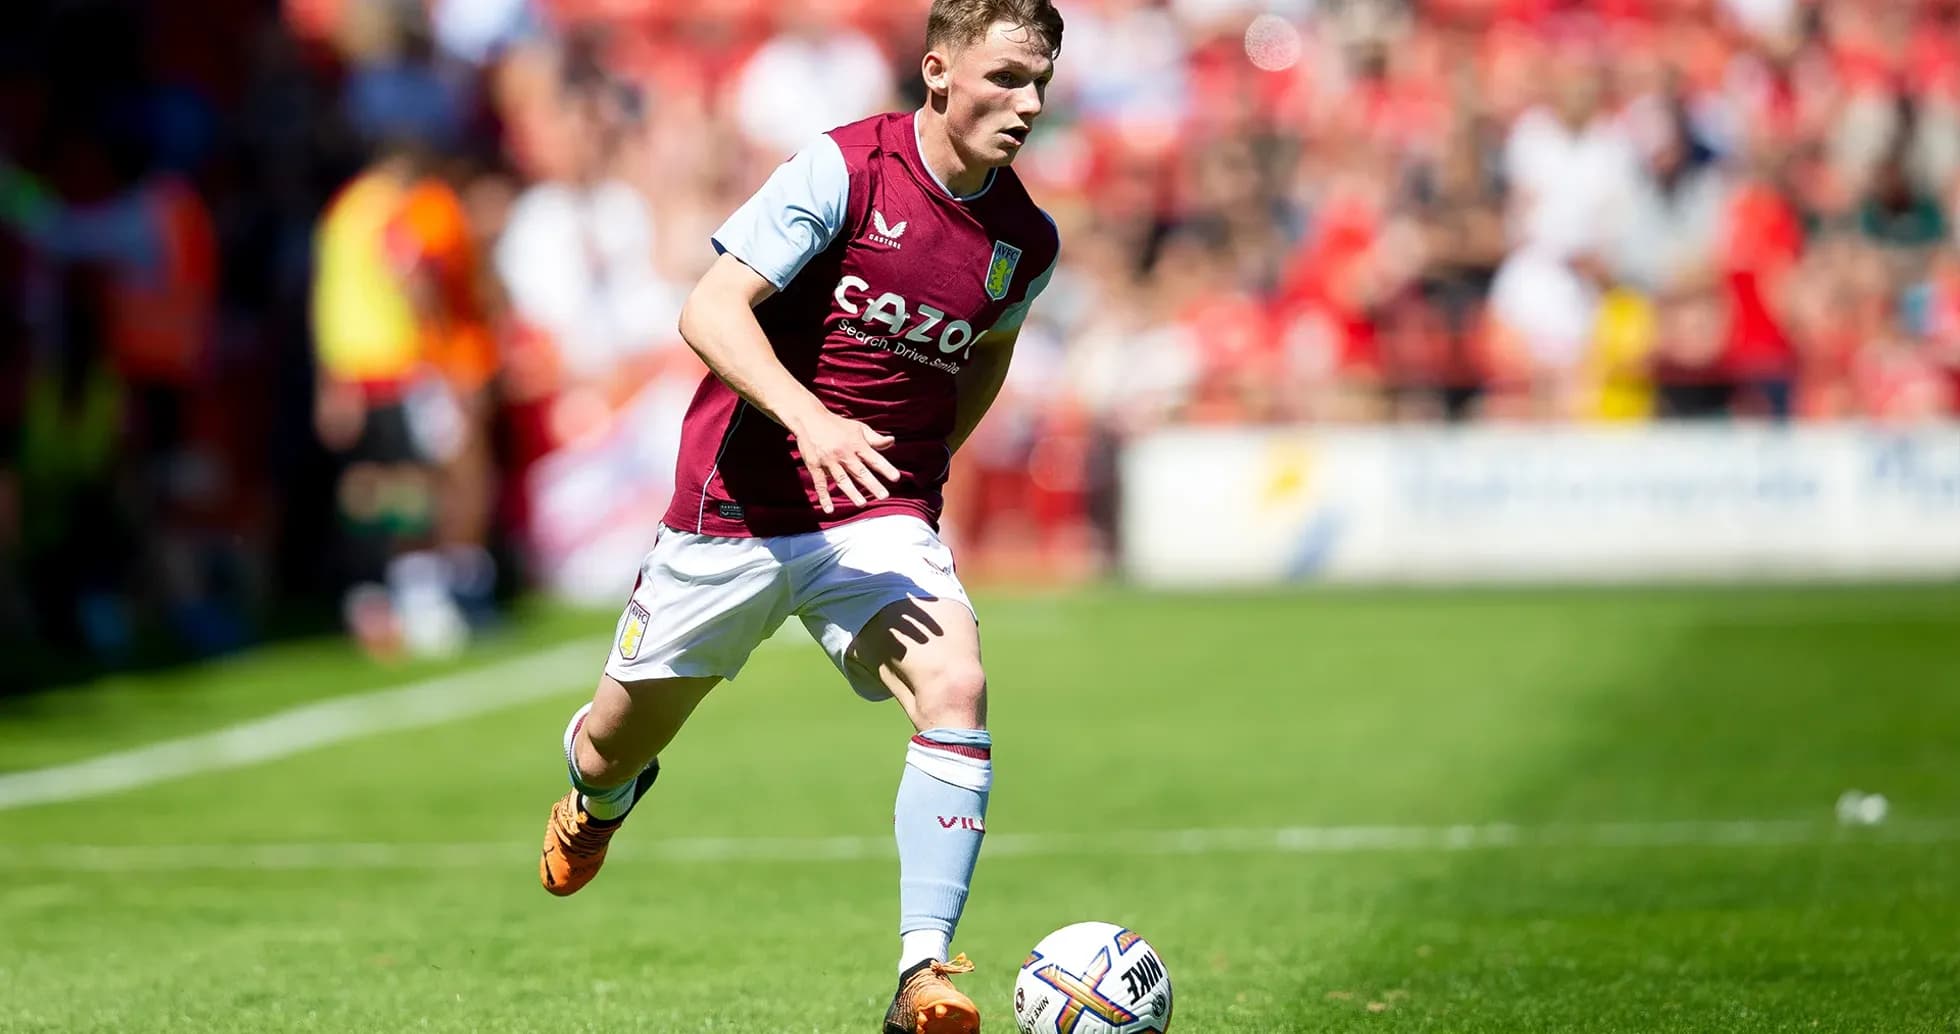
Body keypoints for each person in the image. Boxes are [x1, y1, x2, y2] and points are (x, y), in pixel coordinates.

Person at [535, 3, 1064, 1032]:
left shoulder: (1023, 242)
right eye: (1006, 77)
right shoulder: (843, 169)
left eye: (1041, 81)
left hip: (877, 514)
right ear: (938, 70)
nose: (1029, 103)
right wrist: (811, 419)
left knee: (956, 681)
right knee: (606, 745)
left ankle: (924, 972)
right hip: (734, 507)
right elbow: (709, 309)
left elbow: (988, 348)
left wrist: (918, 465)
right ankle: (603, 797)